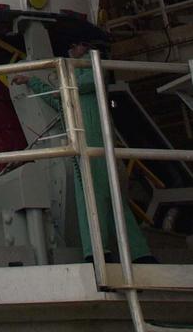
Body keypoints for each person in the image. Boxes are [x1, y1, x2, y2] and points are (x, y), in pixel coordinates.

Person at [24, 42, 154, 263]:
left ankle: (105, 252)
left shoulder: (91, 70)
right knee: (103, 199)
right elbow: (57, 98)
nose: (70, 49)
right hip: (87, 146)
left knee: (100, 198)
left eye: (74, 45)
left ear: (85, 48)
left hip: (94, 144)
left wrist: (58, 73)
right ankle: (127, 252)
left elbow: (70, 89)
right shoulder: (74, 81)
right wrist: (32, 81)